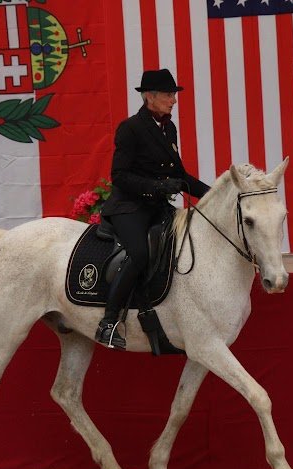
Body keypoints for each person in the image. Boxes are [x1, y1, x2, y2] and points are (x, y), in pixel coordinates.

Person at [95, 68, 211, 349]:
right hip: (129, 206)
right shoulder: (130, 128)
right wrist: (159, 187)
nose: (174, 100)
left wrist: (213, 193)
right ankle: (108, 322)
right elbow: (119, 176)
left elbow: (180, 174)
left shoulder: (168, 128)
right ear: (151, 97)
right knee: (139, 253)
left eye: (173, 94)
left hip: (157, 207)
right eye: (169, 95)